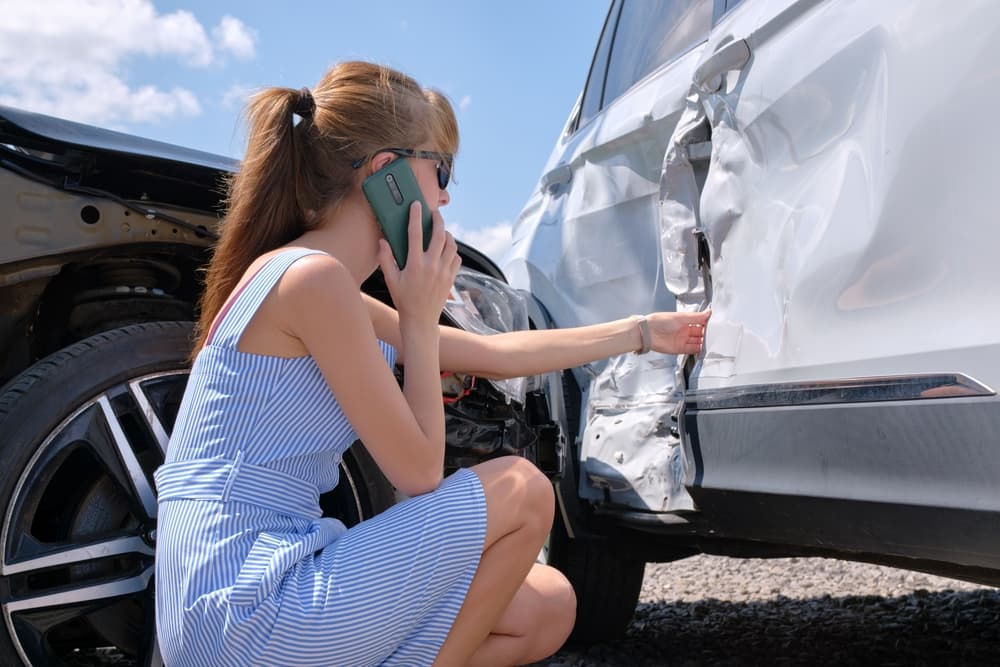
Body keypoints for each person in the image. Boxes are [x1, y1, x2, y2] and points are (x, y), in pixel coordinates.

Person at [153, 60, 711, 667]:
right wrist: (418, 321)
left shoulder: (309, 278)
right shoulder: (311, 281)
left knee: (544, 605)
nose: (446, 194)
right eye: (439, 168)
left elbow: (494, 356)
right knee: (521, 489)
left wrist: (640, 332)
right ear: (385, 174)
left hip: (243, 602)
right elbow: (417, 475)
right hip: (251, 609)